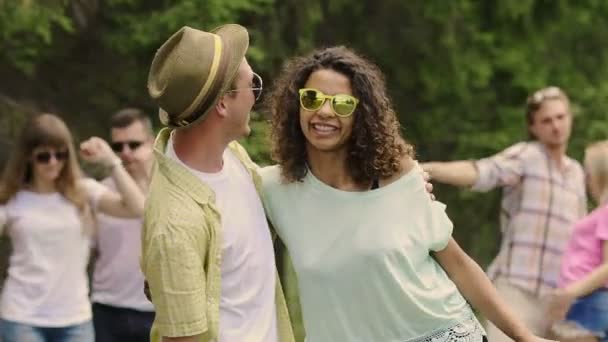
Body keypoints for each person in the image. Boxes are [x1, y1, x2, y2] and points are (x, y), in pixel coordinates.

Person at [260, 46, 554, 342]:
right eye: (312, 98)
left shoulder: (397, 178)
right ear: (297, 105)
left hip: (441, 334)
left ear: (361, 114)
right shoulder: (273, 188)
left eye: (342, 103)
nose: (324, 111)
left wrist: (524, 337)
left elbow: (459, 265)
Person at [141, 25, 294, 342]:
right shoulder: (174, 224)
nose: (256, 94)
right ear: (223, 104)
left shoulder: (234, 158)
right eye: (252, 83)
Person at [421, 86, 587, 339]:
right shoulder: (527, 155)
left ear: (570, 118)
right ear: (534, 127)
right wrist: (425, 169)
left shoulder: (577, 173)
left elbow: (580, 241)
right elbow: (481, 172)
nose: (555, 125)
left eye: (560, 117)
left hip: (555, 300)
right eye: (546, 120)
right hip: (515, 291)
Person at [0, 113, 144, 342]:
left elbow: (137, 208)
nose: (54, 162)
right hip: (22, 317)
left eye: (61, 154)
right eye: (44, 156)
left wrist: (111, 161)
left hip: (75, 320)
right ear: (28, 156)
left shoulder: (83, 191)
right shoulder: (13, 199)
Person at [91, 108, 155, 342]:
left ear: (151, 142)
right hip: (108, 309)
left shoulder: (169, 189)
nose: (125, 153)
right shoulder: (101, 192)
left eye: (134, 144)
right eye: (118, 147)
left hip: (158, 311)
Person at [547, 141, 608, 341]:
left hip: (592, 302)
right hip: (586, 302)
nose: (585, 178)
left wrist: (569, 292)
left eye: (588, 171)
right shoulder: (601, 213)